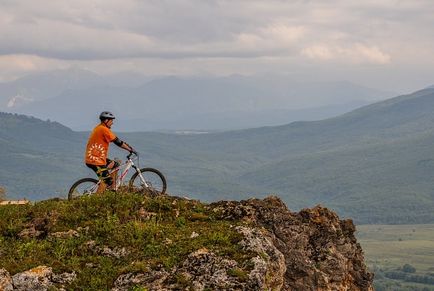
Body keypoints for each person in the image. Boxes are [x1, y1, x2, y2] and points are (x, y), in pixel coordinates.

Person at [85, 111, 136, 191]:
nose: (112, 123)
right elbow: (117, 142)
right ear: (106, 121)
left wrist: (126, 145)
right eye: (111, 121)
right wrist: (130, 149)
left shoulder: (99, 127)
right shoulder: (104, 129)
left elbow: (117, 141)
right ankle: (97, 199)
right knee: (107, 181)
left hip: (96, 158)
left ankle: (112, 188)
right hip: (95, 161)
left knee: (115, 165)